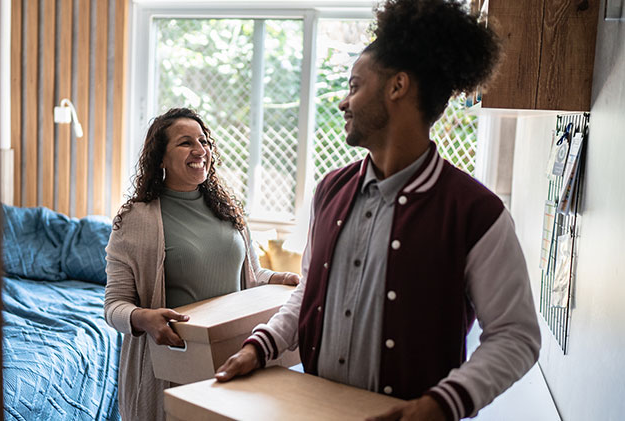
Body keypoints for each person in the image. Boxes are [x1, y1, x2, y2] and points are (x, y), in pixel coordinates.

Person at [215, 1, 541, 420]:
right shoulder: (329, 190)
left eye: (354, 86)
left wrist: (441, 404)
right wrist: (260, 346)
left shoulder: (476, 213)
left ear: (397, 87)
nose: (343, 103)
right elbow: (308, 293)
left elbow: (516, 336)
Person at [104, 107, 299, 421]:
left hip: (236, 355)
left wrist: (279, 278)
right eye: (185, 143)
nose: (200, 150)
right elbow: (114, 306)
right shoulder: (136, 219)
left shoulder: (227, 210)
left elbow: (251, 275)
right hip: (176, 365)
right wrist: (144, 318)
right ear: (161, 158)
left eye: (204, 141)